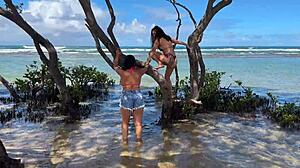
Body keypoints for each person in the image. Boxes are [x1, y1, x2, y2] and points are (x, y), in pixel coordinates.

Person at [114, 48, 149, 145]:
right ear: (134, 63)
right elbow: (147, 66)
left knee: (125, 123)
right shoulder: (139, 72)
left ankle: (125, 143)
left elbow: (115, 65)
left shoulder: (123, 72)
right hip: (138, 95)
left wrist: (117, 55)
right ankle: (138, 142)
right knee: (138, 123)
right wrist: (150, 57)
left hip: (126, 94)